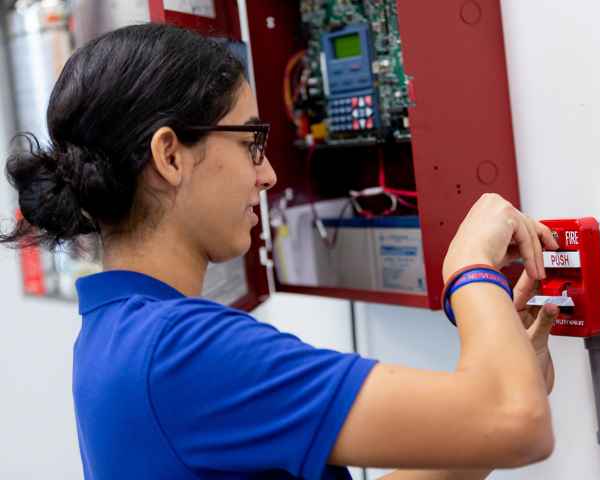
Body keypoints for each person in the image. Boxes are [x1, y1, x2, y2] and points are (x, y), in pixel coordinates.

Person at [0, 23, 561, 480]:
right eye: (250, 144)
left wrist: (508, 380)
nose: (268, 173)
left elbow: (507, 418)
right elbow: (519, 424)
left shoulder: (118, 337)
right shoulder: (181, 352)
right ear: (170, 156)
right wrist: (470, 270)